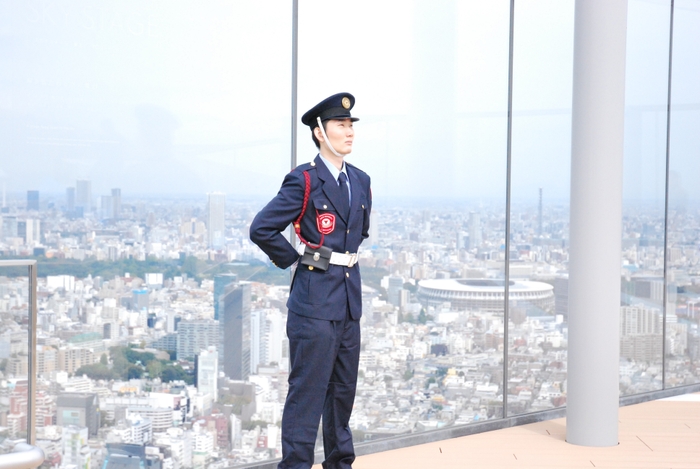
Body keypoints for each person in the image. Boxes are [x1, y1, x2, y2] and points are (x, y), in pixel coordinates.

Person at [249, 92, 371, 469]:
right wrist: (298, 260)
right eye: (340, 125)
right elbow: (262, 228)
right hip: (314, 302)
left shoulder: (361, 181)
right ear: (320, 132)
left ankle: (340, 465)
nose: (349, 132)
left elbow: (357, 234)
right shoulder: (304, 180)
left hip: (349, 301)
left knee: (342, 396)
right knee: (307, 396)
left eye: (351, 125)